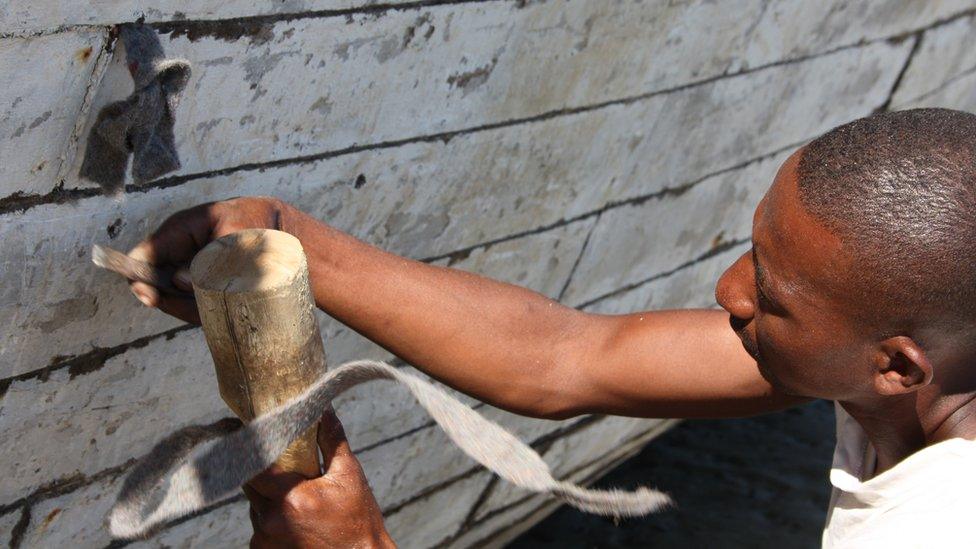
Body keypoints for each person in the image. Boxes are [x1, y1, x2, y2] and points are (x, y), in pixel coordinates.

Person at [127, 108, 976, 548]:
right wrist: (284, 233)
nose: (727, 293)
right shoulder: (907, 362)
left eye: (772, 294)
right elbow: (566, 359)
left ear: (897, 367)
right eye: (749, 255)